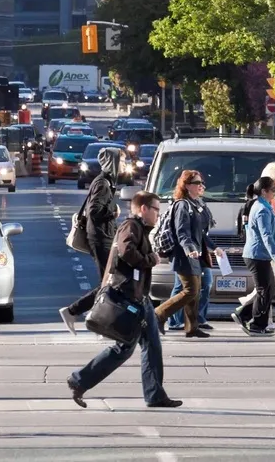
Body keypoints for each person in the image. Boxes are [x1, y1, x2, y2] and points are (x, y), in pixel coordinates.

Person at [66, 191, 183, 410]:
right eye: (156, 209)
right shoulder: (131, 226)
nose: (158, 214)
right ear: (144, 209)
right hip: (131, 297)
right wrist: (150, 259)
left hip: (139, 296)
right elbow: (126, 251)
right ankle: (80, 380)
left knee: (146, 345)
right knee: (128, 347)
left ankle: (153, 394)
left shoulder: (139, 228)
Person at [59, 147, 121, 332]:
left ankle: (94, 318)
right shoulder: (103, 183)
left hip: (103, 235)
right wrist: (113, 213)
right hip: (100, 237)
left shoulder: (106, 182)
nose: (123, 165)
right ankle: (77, 312)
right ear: (112, 162)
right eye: (121, 161)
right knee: (109, 282)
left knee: (110, 282)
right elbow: (93, 210)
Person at [153, 170, 220, 338]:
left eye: (202, 183)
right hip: (184, 255)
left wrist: (214, 247)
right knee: (191, 290)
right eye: (197, 183)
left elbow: (201, 233)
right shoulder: (182, 205)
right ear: (187, 186)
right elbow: (181, 232)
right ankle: (158, 314)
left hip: (196, 254)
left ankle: (192, 328)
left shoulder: (197, 204)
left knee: (195, 291)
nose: (201, 186)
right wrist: (189, 249)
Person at [233, 177, 275, 334]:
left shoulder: (264, 206)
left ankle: (245, 315)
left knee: (269, 289)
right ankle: (256, 324)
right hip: (257, 255)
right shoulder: (261, 209)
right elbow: (266, 235)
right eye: (272, 190)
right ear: (263, 191)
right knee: (264, 290)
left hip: (261, 255)